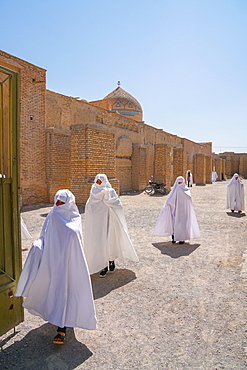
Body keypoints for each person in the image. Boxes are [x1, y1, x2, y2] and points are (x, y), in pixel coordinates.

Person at [15, 189, 97, 344]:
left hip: (71, 263)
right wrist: (39, 245)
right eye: (56, 202)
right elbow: (44, 235)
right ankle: (61, 325)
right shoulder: (52, 215)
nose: (58, 205)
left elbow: (76, 239)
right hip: (53, 261)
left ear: (69, 203)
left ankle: (64, 326)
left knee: (70, 291)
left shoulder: (75, 218)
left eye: (61, 202)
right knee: (56, 290)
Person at [84, 174, 139, 277]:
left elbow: (117, 205)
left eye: (101, 181)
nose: (99, 183)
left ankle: (111, 261)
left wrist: (109, 204)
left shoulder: (109, 192)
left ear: (104, 181)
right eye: (97, 181)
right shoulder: (93, 192)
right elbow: (90, 208)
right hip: (97, 225)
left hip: (109, 223)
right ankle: (103, 266)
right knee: (99, 244)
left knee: (110, 242)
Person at [153, 176, 200, 244]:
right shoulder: (175, 190)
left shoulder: (186, 190)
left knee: (182, 225)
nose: (179, 184)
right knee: (174, 224)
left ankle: (182, 239)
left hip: (183, 212)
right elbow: (170, 200)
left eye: (181, 182)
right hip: (175, 211)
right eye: (178, 182)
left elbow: (189, 199)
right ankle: (174, 238)